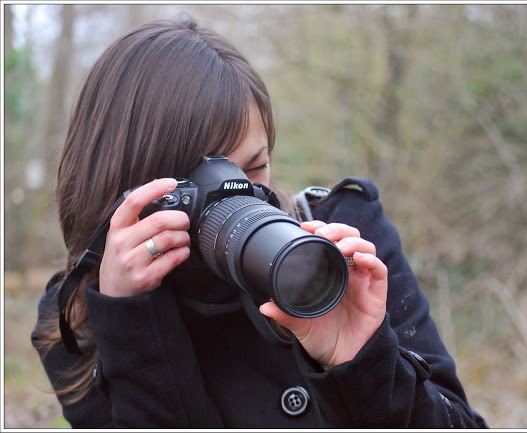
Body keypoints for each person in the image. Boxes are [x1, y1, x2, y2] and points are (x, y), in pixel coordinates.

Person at [31, 16, 489, 428]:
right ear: (122, 187)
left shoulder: (340, 243)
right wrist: (131, 318)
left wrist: (359, 362)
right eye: (199, 183)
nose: (239, 195)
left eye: (254, 169)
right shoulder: (79, 317)